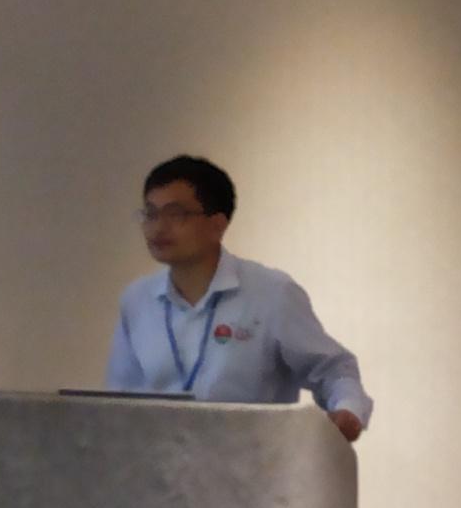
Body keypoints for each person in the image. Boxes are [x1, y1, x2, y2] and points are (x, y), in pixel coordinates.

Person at [106, 155, 373, 441]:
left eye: (176, 214)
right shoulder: (137, 300)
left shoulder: (271, 293)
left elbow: (334, 370)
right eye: (150, 214)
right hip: (157, 463)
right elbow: (119, 399)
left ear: (217, 224)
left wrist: (348, 411)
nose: (158, 227)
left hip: (255, 461)